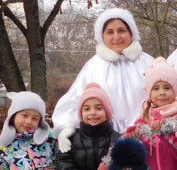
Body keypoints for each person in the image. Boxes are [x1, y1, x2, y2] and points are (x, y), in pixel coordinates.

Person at [52, 8, 154, 139]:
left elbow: (166, 95)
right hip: (106, 140)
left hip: (147, 137)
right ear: (102, 36)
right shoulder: (94, 66)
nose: (116, 37)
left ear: (131, 33)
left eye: (121, 30)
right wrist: (67, 125)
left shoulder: (148, 62)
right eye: (110, 32)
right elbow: (74, 99)